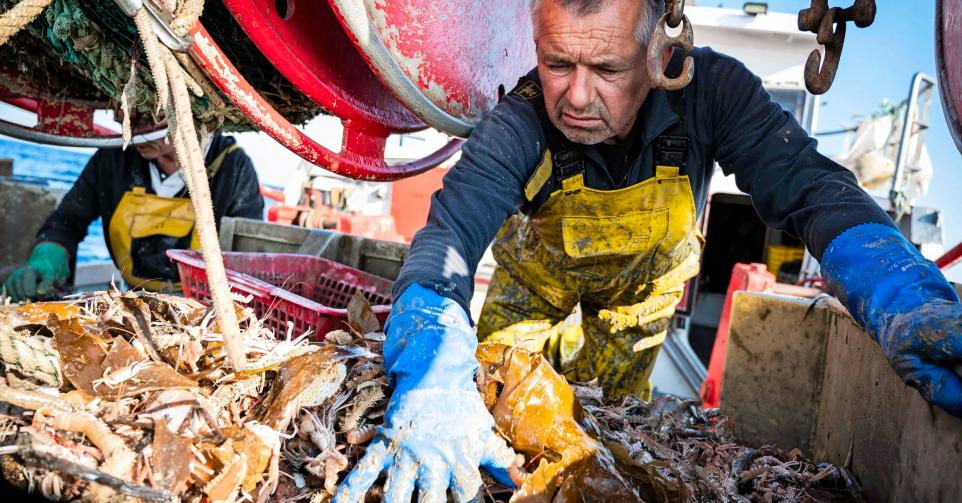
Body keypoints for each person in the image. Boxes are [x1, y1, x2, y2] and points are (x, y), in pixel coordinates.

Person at [334, 0, 962, 501]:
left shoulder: (713, 92)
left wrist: (900, 291)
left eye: (606, 70)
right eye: (558, 64)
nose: (577, 97)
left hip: (637, 308)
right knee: (502, 429)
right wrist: (431, 355)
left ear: (662, 49)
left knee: (605, 443)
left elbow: (809, 185)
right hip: (534, 291)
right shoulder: (520, 120)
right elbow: (448, 239)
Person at [2, 130, 263, 300]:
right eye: (127, 116)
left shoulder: (232, 166)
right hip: (131, 297)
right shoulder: (114, 156)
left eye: (148, 118)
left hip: (203, 308)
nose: (135, 129)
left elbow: (247, 258)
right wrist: (47, 258)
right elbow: (69, 220)